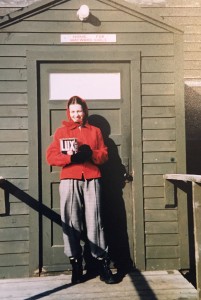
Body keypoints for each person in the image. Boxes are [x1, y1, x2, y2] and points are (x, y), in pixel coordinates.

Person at [46, 96, 116, 285]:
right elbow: (51, 157)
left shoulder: (95, 131)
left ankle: (102, 263)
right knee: (71, 221)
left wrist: (91, 154)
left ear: (85, 111)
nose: (77, 114)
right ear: (69, 112)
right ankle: (76, 264)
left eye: (80, 111)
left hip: (92, 178)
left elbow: (104, 155)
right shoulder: (61, 132)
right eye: (73, 111)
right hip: (70, 179)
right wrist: (70, 159)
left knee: (96, 220)